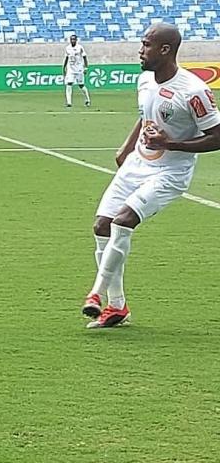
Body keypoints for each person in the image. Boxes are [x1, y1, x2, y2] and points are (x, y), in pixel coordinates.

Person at [82, 23, 220, 328]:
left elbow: (217, 136)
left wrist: (169, 143)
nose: (140, 51)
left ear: (165, 50)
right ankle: (117, 306)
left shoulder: (195, 91)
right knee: (102, 225)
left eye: (146, 45)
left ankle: (96, 293)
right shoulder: (145, 80)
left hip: (170, 171)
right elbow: (145, 116)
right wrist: (126, 147)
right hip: (137, 164)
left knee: (123, 221)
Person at [63, 34, 91, 108]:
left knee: (81, 85)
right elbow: (66, 58)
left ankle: (87, 99)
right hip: (70, 69)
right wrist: (64, 67)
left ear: (76, 40)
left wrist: (86, 68)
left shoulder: (80, 48)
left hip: (79, 69)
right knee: (69, 84)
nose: (72, 41)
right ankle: (69, 102)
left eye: (74, 39)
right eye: (71, 39)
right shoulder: (67, 48)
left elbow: (85, 58)